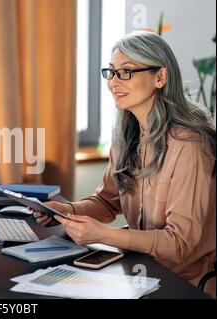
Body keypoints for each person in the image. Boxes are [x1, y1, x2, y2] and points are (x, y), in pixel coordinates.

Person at [35, 31, 216, 297]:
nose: (114, 82)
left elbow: (179, 244)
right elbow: (108, 201)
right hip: (140, 270)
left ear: (160, 77)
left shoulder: (189, 145)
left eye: (127, 72)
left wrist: (104, 235)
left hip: (186, 282)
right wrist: (66, 210)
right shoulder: (127, 134)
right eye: (111, 72)